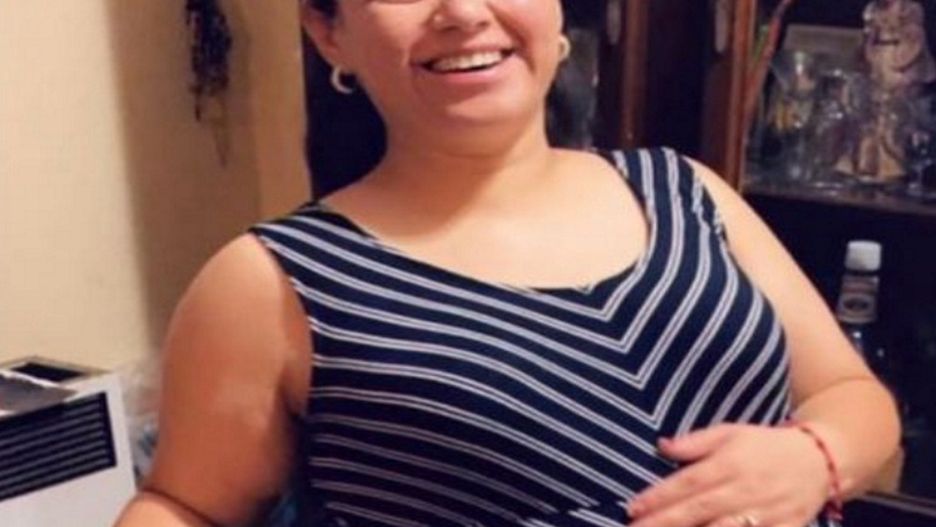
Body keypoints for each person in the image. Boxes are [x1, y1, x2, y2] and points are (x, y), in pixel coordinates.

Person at [116, 0, 901, 526]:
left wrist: (814, 457)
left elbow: (852, 393)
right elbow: (185, 507)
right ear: (330, 33)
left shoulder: (685, 189)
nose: (462, 11)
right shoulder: (273, 280)